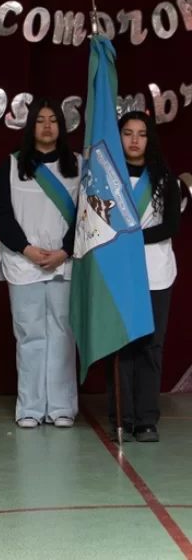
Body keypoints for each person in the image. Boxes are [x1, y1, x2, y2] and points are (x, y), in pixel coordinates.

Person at [0, 97, 81, 429]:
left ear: (62, 126)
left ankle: (61, 408)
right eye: (40, 120)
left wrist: (64, 251)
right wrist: (26, 249)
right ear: (30, 127)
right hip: (22, 262)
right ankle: (29, 407)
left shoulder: (79, 166)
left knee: (62, 334)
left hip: (64, 263)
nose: (46, 126)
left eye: (53, 120)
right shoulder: (12, 166)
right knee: (29, 335)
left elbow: (88, 216)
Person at [106, 111, 180, 442]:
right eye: (127, 133)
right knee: (123, 347)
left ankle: (147, 418)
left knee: (151, 346)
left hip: (155, 275)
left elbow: (170, 227)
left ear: (150, 139)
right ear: (118, 137)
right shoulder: (108, 179)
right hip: (118, 273)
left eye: (142, 133)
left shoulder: (165, 179)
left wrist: (132, 236)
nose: (134, 140)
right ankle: (123, 415)